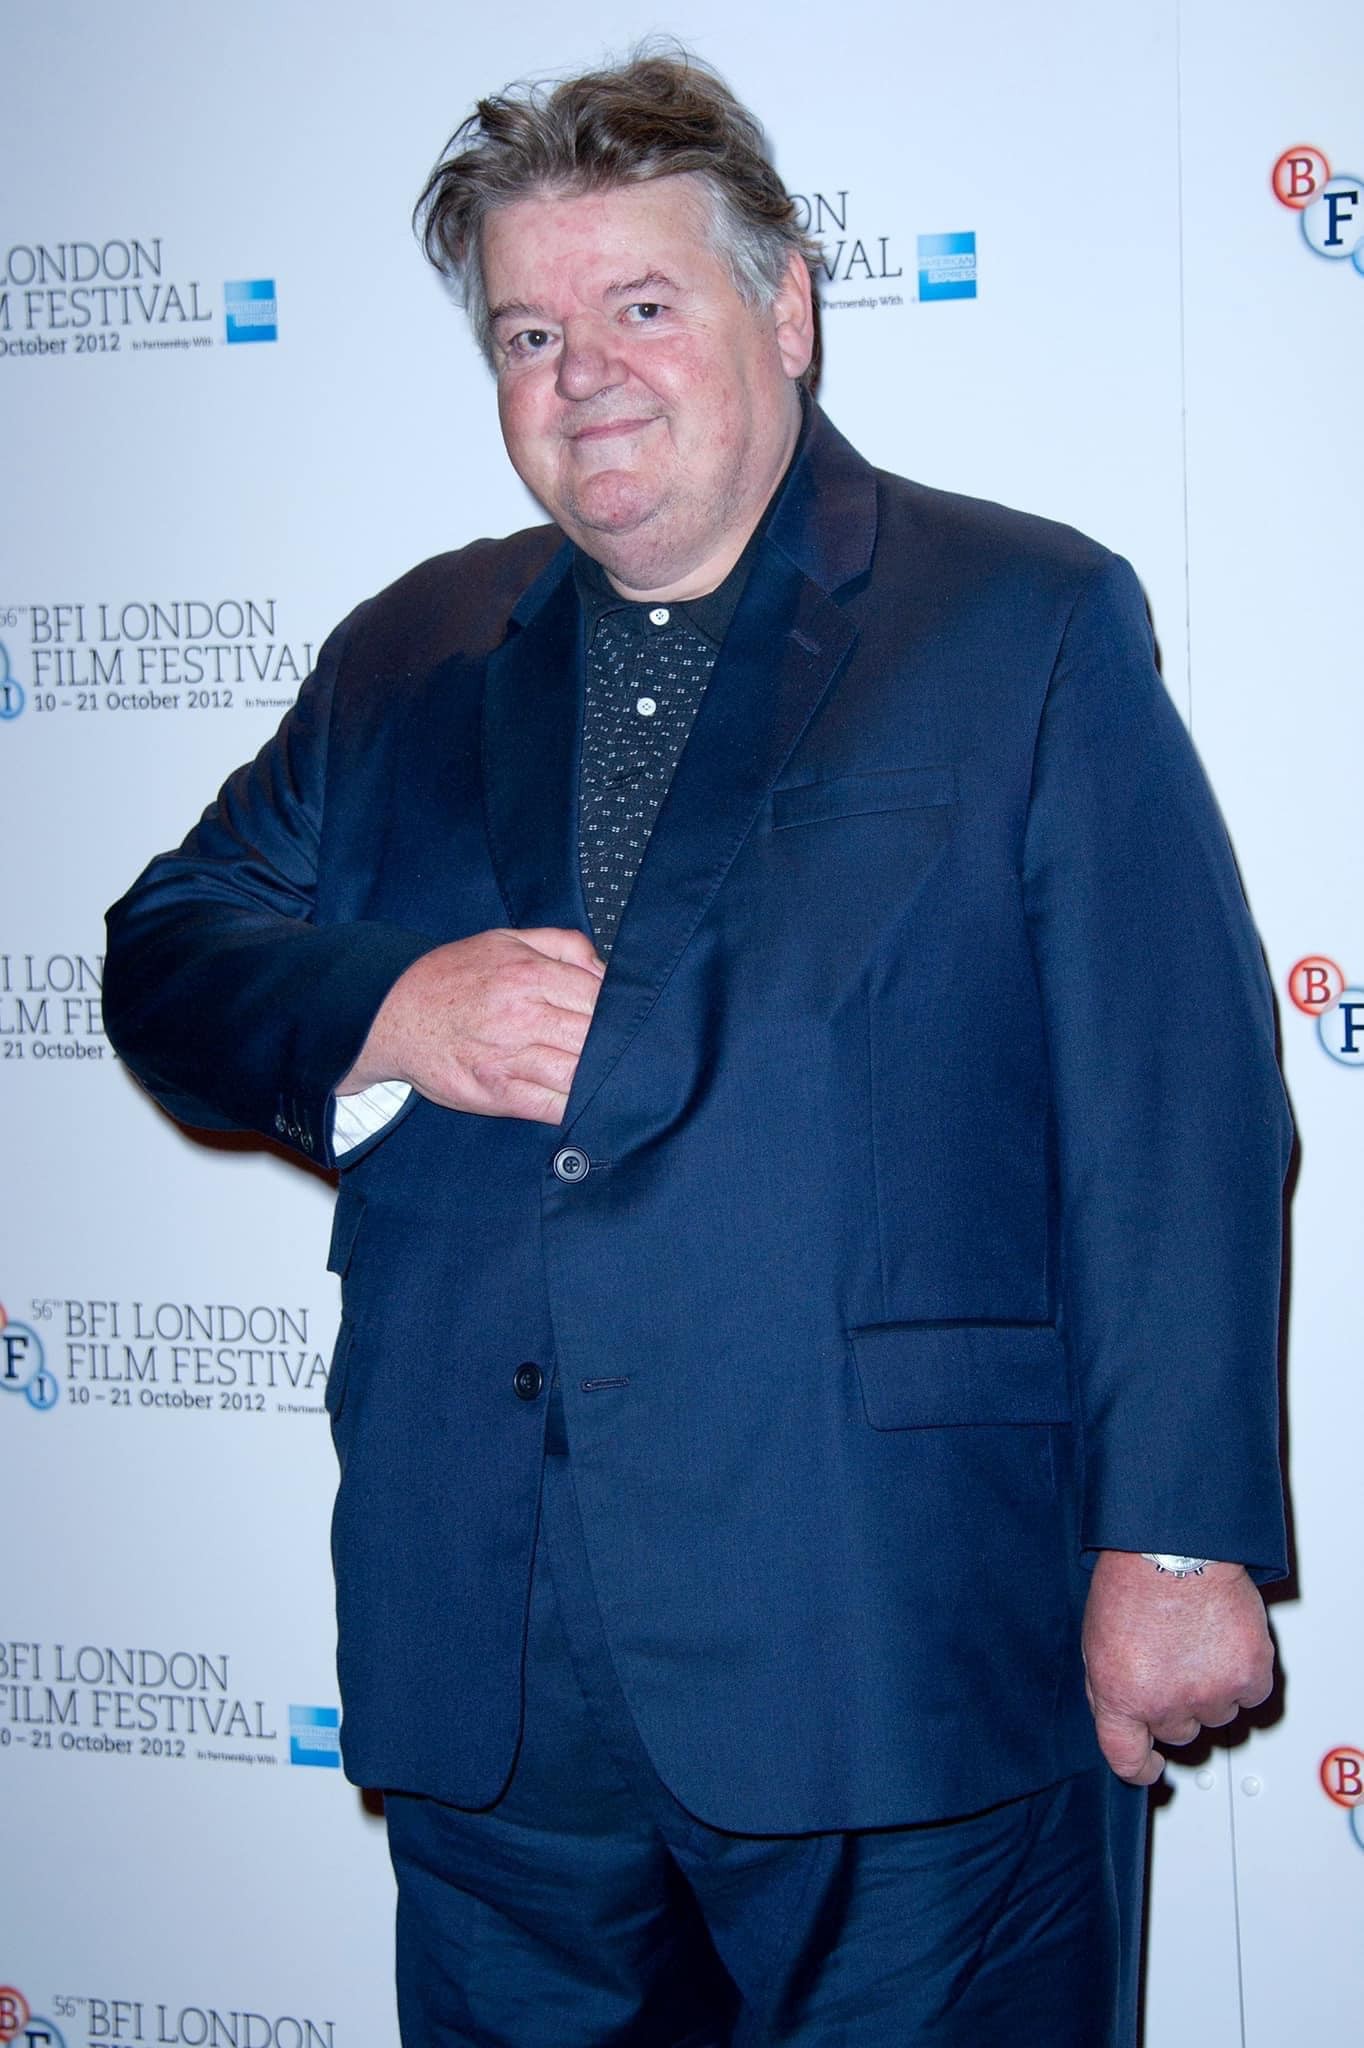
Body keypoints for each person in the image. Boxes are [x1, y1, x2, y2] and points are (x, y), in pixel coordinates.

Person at [103, 49, 1290, 2047]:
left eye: (641, 306)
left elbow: (1174, 1112)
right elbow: (164, 955)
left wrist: (1174, 1538)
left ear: (787, 311)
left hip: (898, 1647)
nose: (584, 374)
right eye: (529, 333)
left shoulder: (1022, 622)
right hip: (495, 1677)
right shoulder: (408, 653)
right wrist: (392, 1006)